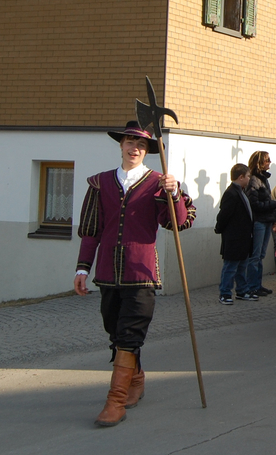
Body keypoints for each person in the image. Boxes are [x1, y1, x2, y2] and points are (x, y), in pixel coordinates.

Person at [74, 121, 194, 428]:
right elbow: (91, 231)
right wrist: (82, 268)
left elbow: (176, 222)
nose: (135, 148)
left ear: (147, 151)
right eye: (130, 142)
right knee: (114, 330)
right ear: (121, 145)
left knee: (129, 334)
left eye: (141, 145)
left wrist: (174, 193)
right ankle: (136, 379)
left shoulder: (158, 183)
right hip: (107, 272)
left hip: (142, 272)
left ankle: (115, 401)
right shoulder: (100, 182)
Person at [215, 163, 255, 305]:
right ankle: (225, 293)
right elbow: (224, 215)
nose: (249, 179)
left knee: (242, 266)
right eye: (248, 176)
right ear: (241, 177)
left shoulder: (241, 192)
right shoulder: (231, 193)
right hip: (234, 237)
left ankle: (242, 290)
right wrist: (219, 228)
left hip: (243, 238)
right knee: (230, 267)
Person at [244, 151, 276, 300]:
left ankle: (257, 285)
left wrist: (275, 218)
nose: (269, 162)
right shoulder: (254, 180)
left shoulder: (263, 179)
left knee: (261, 255)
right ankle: (252, 286)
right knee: (255, 256)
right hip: (259, 221)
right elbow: (254, 204)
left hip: (266, 220)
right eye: (267, 160)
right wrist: (272, 204)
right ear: (260, 163)